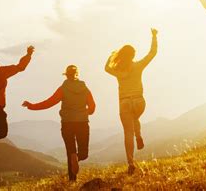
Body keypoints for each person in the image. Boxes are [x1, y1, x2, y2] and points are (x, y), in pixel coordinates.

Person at [22, 65, 96, 181]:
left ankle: (72, 178)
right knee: (83, 153)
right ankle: (77, 157)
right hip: (82, 123)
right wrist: (86, 112)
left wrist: (31, 106)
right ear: (77, 74)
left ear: (66, 75)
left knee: (70, 151)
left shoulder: (63, 89)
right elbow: (92, 108)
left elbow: (48, 103)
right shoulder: (85, 89)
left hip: (67, 123)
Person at [105, 28, 158, 175]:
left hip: (125, 103)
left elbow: (105, 68)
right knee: (135, 118)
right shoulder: (138, 66)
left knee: (128, 132)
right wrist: (154, 36)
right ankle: (139, 135)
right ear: (134, 55)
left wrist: (111, 56)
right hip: (139, 101)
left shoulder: (118, 70)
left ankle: (131, 163)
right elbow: (152, 53)